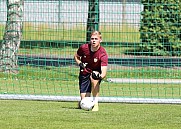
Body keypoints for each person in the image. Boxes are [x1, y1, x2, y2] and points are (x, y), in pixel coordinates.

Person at [74, 31, 108, 111]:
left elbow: (104, 72)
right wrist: (80, 63)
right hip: (84, 72)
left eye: (96, 39)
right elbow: (76, 56)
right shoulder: (84, 48)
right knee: (85, 102)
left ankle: (96, 103)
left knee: (94, 78)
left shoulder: (102, 54)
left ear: (100, 40)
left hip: (95, 72)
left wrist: (99, 76)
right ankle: (82, 102)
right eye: (92, 39)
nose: (93, 41)